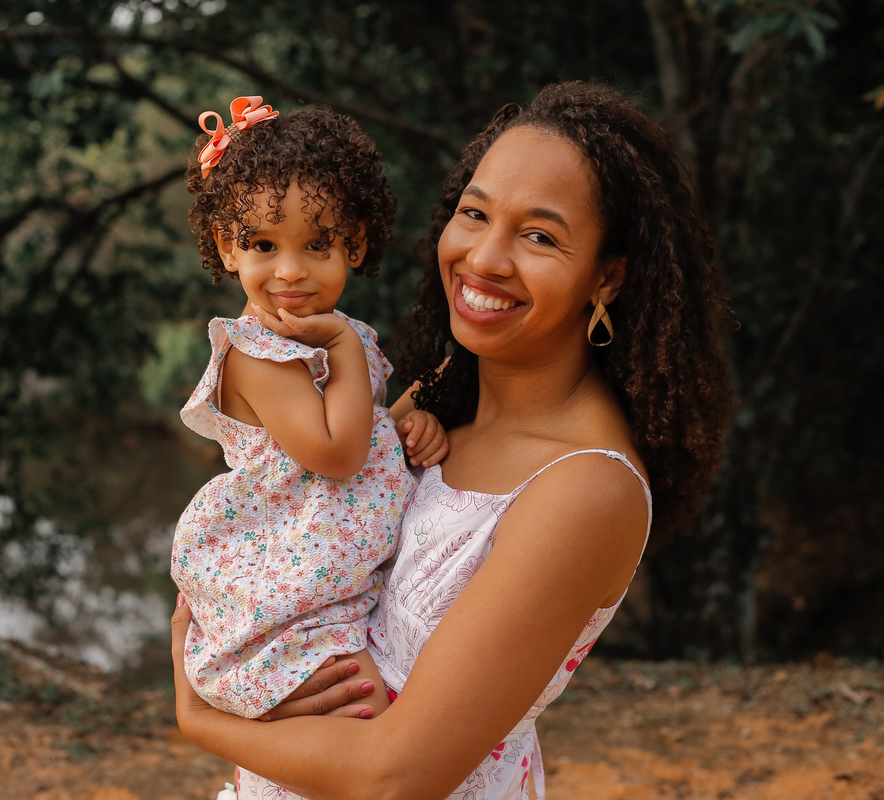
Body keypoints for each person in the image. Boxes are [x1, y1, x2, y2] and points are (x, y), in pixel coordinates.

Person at [171, 81, 733, 799]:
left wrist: (198, 717)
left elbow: (396, 776)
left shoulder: (585, 488)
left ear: (608, 275)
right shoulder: (441, 395)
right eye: (475, 214)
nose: (485, 258)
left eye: (539, 236)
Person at [172, 96, 449, 723]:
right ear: (228, 246)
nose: (289, 272)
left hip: (344, 578)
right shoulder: (259, 353)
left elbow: (368, 427)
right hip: (291, 595)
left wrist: (410, 417)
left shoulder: (328, 331)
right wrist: (344, 345)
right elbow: (338, 453)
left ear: (353, 245)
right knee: (367, 717)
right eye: (263, 245)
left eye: (317, 245)